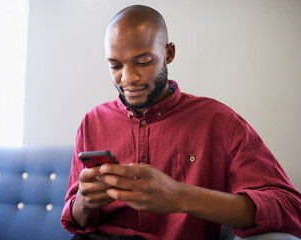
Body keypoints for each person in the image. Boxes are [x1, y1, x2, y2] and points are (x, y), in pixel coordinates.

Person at [61, 5, 301, 240]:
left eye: (143, 62)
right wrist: (85, 201)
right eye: (115, 65)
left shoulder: (218, 122)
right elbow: (75, 221)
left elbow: (290, 207)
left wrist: (181, 197)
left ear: (169, 53)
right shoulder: (92, 122)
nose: (127, 78)